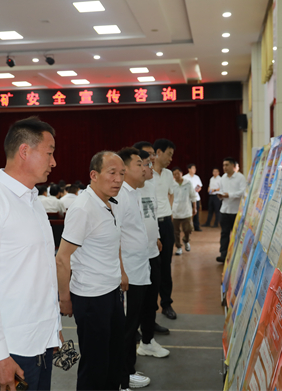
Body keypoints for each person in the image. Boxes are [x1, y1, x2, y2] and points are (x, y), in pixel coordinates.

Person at [0, 117, 61, 391]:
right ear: (24, 151)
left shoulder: (33, 200)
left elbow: (41, 272)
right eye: (49, 153)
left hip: (41, 340)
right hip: (12, 348)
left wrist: (53, 328)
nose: (54, 162)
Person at [56, 151, 127, 391]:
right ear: (94, 175)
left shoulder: (109, 202)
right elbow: (62, 258)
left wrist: (121, 273)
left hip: (111, 292)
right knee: (95, 364)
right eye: (112, 173)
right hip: (91, 298)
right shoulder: (83, 208)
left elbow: (112, 244)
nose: (118, 179)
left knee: (114, 356)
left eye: (122, 174)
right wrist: (65, 299)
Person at [113, 148, 153, 390]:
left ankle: (128, 371)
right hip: (128, 273)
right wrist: (121, 271)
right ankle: (120, 380)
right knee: (125, 330)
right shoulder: (120, 196)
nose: (145, 168)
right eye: (140, 164)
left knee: (132, 326)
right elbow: (114, 236)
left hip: (138, 270)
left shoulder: (134, 193)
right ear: (125, 169)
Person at [132, 141, 170, 337]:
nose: (151, 162)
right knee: (137, 295)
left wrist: (157, 236)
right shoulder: (130, 188)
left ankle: (149, 328)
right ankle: (135, 329)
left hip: (152, 247)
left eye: (150, 158)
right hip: (137, 251)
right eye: (146, 161)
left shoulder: (152, 182)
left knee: (152, 291)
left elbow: (152, 213)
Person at [152, 138, 177, 320]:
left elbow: (171, 194)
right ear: (158, 152)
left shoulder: (168, 174)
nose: (170, 159)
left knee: (166, 265)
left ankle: (166, 304)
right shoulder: (146, 174)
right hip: (151, 225)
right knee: (154, 266)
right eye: (169, 154)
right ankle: (151, 307)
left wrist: (168, 212)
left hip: (166, 224)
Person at [216, 157, 247, 263]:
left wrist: (229, 195)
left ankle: (236, 254)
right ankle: (223, 254)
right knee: (224, 233)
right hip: (224, 210)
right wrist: (221, 195)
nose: (224, 167)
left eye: (227, 165)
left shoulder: (240, 177)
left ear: (233, 166)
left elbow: (243, 192)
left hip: (236, 211)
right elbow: (222, 190)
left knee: (237, 234)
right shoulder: (223, 178)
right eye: (223, 165)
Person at [171, 167, 196, 256]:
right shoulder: (172, 184)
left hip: (186, 210)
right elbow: (169, 197)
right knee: (176, 231)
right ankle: (178, 247)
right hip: (175, 211)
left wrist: (195, 207)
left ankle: (186, 240)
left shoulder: (188, 183)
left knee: (188, 229)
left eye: (178, 173)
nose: (176, 175)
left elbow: (193, 196)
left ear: (181, 173)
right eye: (174, 174)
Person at [182, 164, 202, 232]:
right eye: (193, 168)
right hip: (187, 198)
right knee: (187, 213)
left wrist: (197, 189)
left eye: (195, 168)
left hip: (196, 197)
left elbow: (200, 186)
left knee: (196, 213)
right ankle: (187, 227)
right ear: (189, 169)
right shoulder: (185, 177)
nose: (194, 170)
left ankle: (196, 226)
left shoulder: (197, 177)